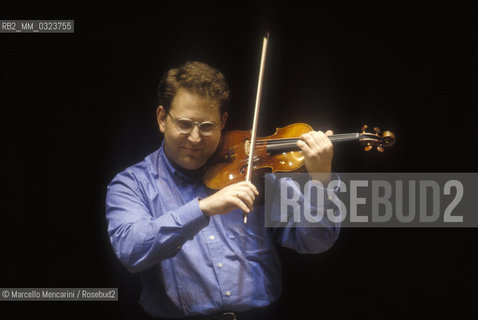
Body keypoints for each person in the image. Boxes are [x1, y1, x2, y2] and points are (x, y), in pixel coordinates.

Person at [106, 61, 340, 320]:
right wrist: (203, 208)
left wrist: (321, 179)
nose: (195, 138)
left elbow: (315, 242)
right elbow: (131, 250)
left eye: (207, 126)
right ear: (162, 118)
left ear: (222, 121)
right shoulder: (132, 184)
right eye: (184, 124)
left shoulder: (252, 169)